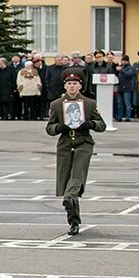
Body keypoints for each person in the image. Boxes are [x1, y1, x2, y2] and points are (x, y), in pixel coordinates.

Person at [45, 67, 106, 235]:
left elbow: (102, 125)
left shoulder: (88, 103)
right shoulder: (56, 104)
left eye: (75, 83)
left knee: (77, 175)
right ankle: (73, 221)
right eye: (69, 83)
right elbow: (49, 127)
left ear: (80, 86)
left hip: (83, 142)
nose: (72, 86)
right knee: (67, 182)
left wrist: (91, 124)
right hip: (65, 143)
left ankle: (68, 199)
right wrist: (59, 127)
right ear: (65, 86)